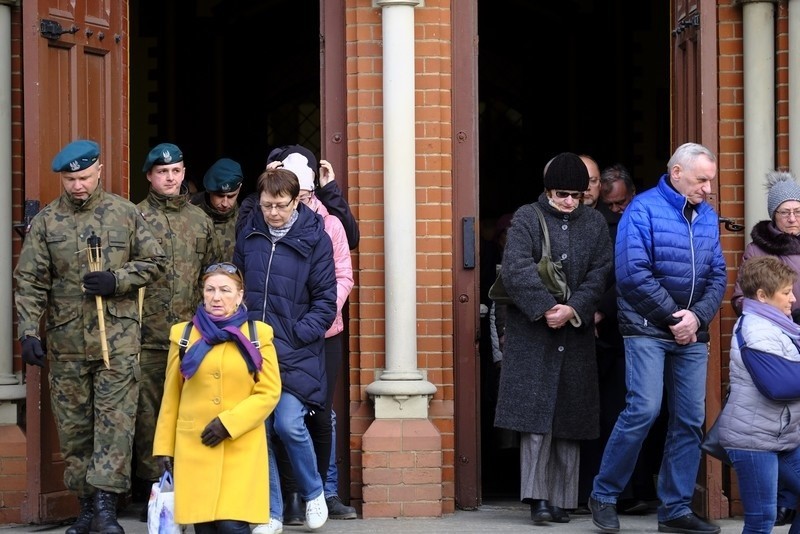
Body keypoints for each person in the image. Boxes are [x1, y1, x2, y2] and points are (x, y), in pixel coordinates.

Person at [13, 139, 167, 534]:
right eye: (70, 179)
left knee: (115, 425)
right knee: (76, 428)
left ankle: (104, 508)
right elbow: (29, 281)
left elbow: (155, 262)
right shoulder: (48, 223)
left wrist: (117, 279)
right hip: (67, 345)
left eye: (83, 177)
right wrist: (29, 331)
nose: (78, 186)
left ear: (99, 170)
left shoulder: (125, 214)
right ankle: (84, 508)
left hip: (116, 341)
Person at [589, 142, 727, 534]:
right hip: (649, 328)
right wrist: (672, 318)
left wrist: (695, 317)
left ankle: (675, 509)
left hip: (691, 333)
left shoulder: (706, 215)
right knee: (644, 410)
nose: (708, 189)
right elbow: (632, 273)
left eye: (711, 181)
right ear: (678, 173)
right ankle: (604, 494)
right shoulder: (643, 209)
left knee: (689, 419)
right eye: (702, 180)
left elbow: (718, 274)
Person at [494, 152, 613, 525]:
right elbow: (516, 267)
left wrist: (573, 308)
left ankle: (563, 498)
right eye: (562, 194)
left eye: (576, 195)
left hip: (574, 336)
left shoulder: (594, 224)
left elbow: (601, 272)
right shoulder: (528, 217)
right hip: (533, 334)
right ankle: (537, 498)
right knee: (535, 421)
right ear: (548, 191)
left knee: (569, 420)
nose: (570, 201)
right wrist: (546, 307)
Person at [235, 167, 337, 534]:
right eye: (266, 205)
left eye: (280, 205)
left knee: (289, 423)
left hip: (295, 352)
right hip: (253, 350)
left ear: (297, 201)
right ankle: (271, 512)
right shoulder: (250, 233)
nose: (273, 213)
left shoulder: (315, 238)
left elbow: (326, 301)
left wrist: (297, 334)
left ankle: (314, 493)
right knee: (258, 429)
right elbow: (237, 284)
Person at [152, 262, 282, 534]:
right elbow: (172, 394)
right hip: (195, 446)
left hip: (241, 446)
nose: (216, 297)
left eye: (225, 290)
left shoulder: (257, 334)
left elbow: (269, 391)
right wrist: (164, 447)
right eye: (210, 290)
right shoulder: (184, 334)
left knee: (232, 524)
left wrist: (229, 423)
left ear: (239, 295)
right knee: (206, 527)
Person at [267, 150, 357, 523]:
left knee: (319, 415)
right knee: (278, 413)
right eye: (294, 197)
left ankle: (325, 491)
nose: (299, 203)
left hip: (321, 332)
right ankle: (289, 496)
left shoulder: (328, 223)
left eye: (304, 196)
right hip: (278, 334)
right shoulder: (266, 215)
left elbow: (342, 277)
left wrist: (311, 323)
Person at [134, 142, 220, 521]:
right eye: (162, 172)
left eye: (177, 171)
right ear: (150, 176)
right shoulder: (133, 218)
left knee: (193, 412)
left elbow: (212, 275)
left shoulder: (200, 220)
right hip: (146, 336)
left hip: (191, 336)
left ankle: (191, 487)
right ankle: (155, 492)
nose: (170, 177)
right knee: (150, 414)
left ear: (184, 173)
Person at [577, 163, 661, 515]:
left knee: (630, 409)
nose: (617, 210)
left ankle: (632, 490)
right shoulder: (594, 222)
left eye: (621, 202)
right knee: (599, 413)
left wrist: (602, 310)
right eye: (610, 204)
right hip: (590, 328)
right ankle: (600, 492)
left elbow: (634, 270)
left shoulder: (634, 220)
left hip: (623, 328)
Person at [730, 169, 800, 526]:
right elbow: (743, 297)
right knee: (780, 414)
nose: (792, 218)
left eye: (798, 210)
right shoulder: (759, 249)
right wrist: (777, 313)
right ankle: (784, 499)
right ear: (774, 215)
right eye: (785, 212)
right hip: (777, 339)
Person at [717, 255, 800, 534]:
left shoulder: (780, 327)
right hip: (752, 439)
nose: (793, 300)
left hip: (781, 435)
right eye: (787, 293)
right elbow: (778, 384)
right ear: (763, 296)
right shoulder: (756, 329)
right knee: (761, 520)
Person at [191, 157, 244, 261]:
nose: (225, 203)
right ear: (209, 191)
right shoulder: (191, 216)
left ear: (240, 188)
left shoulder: (246, 220)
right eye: (219, 196)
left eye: (231, 196)